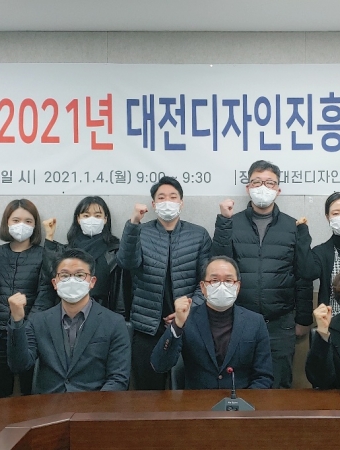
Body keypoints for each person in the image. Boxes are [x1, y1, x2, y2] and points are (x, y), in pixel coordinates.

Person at [213, 160, 315, 389]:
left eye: (270, 183)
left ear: (278, 190)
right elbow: (217, 265)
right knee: (237, 386)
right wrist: (223, 223)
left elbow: (303, 277)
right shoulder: (231, 223)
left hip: (280, 323)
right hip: (238, 321)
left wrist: (303, 319)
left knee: (278, 388)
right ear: (248, 187)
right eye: (257, 182)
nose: (263, 187)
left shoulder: (293, 226)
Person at [117, 176, 213, 390]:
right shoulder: (141, 231)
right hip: (147, 327)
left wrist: (189, 310)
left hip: (187, 325)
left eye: (173, 197)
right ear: (153, 204)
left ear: (181, 202)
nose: (167, 202)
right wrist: (133, 223)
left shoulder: (198, 235)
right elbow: (126, 262)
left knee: (189, 391)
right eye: (161, 198)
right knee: (149, 393)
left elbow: (207, 281)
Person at [7, 248, 131, 393]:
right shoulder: (39, 321)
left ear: (92, 282)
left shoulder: (114, 323)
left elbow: (118, 378)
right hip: (49, 403)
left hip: (93, 403)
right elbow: (19, 365)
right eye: (65, 275)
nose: (72, 280)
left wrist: (94, 405)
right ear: (55, 283)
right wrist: (17, 321)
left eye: (80, 275)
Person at [151, 256, 274, 389]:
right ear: (203, 287)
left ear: (237, 286)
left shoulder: (255, 322)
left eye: (228, 280)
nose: (222, 286)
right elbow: (159, 365)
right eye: (214, 280)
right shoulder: (187, 319)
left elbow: (263, 377)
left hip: (241, 399)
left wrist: (245, 400)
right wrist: (177, 325)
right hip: (198, 400)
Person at [0, 199, 43, 399]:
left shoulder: (43, 255)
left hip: (30, 333)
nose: (22, 225)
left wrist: (27, 325)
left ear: (35, 226)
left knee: (31, 390)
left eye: (28, 221)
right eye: (16, 220)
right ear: (7, 223)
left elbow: (45, 295)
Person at [36, 196, 129, 317]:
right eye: (86, 215)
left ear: (105, 219)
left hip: (103, 314)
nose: (91, 219)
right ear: (78, 219)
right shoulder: (67, 251)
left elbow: (120, 293)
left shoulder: (115, 251)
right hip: (68, 313)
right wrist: (49, 237)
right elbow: (49, 277)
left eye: (97, 215)